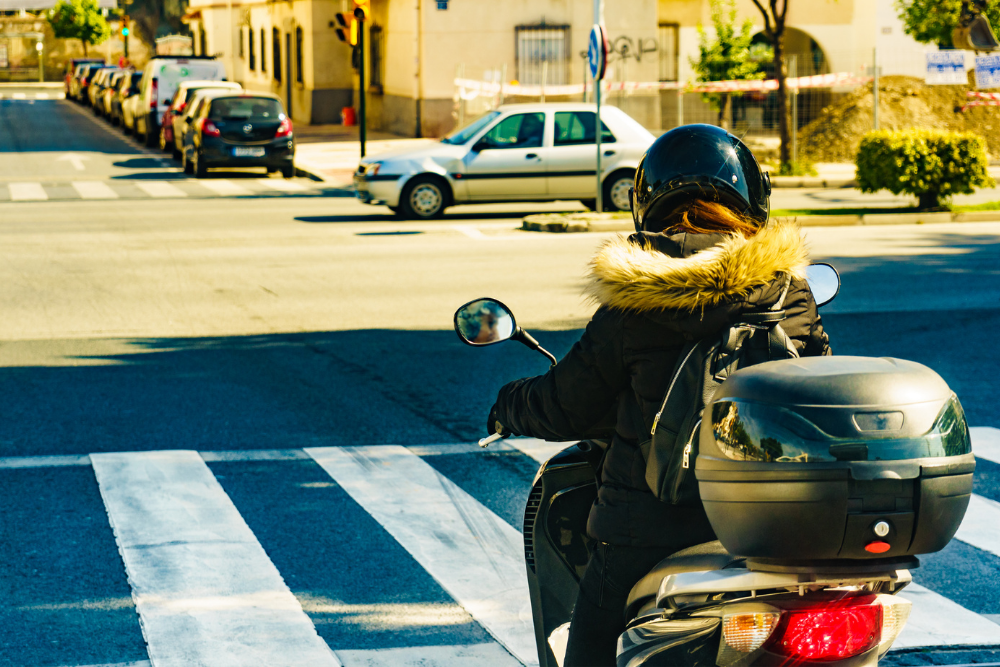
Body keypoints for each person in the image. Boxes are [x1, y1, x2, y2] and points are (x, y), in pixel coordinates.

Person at [485, 124, 830, 666]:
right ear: (754, 200)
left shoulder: (633, 305)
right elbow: (817, 390)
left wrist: (510, 404)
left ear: (647, 205)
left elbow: (568, 404)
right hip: (775, 531)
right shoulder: (789, 291)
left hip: (646, 531)